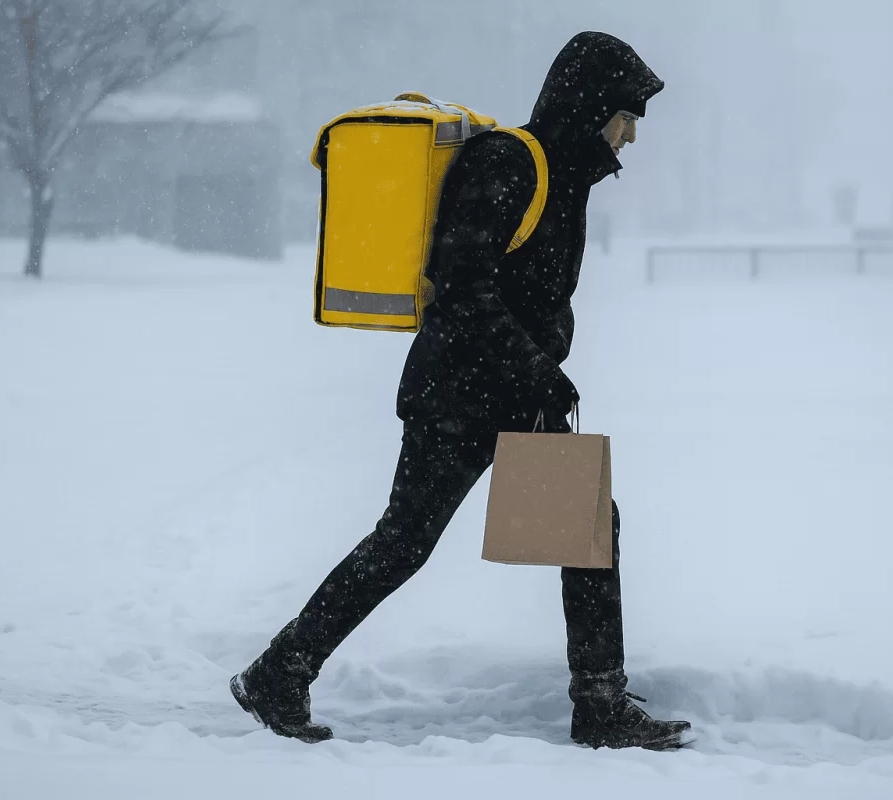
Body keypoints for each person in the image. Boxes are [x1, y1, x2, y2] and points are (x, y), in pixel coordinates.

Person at [231, 31, 691, 751]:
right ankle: (278, 671)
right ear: (592, 106)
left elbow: (528, 293)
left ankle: (599, 703)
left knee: (591, 526)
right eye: (626, 115)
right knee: (404, 542)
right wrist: (537, 369)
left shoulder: (565, 175)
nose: (631, 134)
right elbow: (463, 284)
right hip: (459, 395)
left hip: (517, 399)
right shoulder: (508, 162)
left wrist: (542, 373)